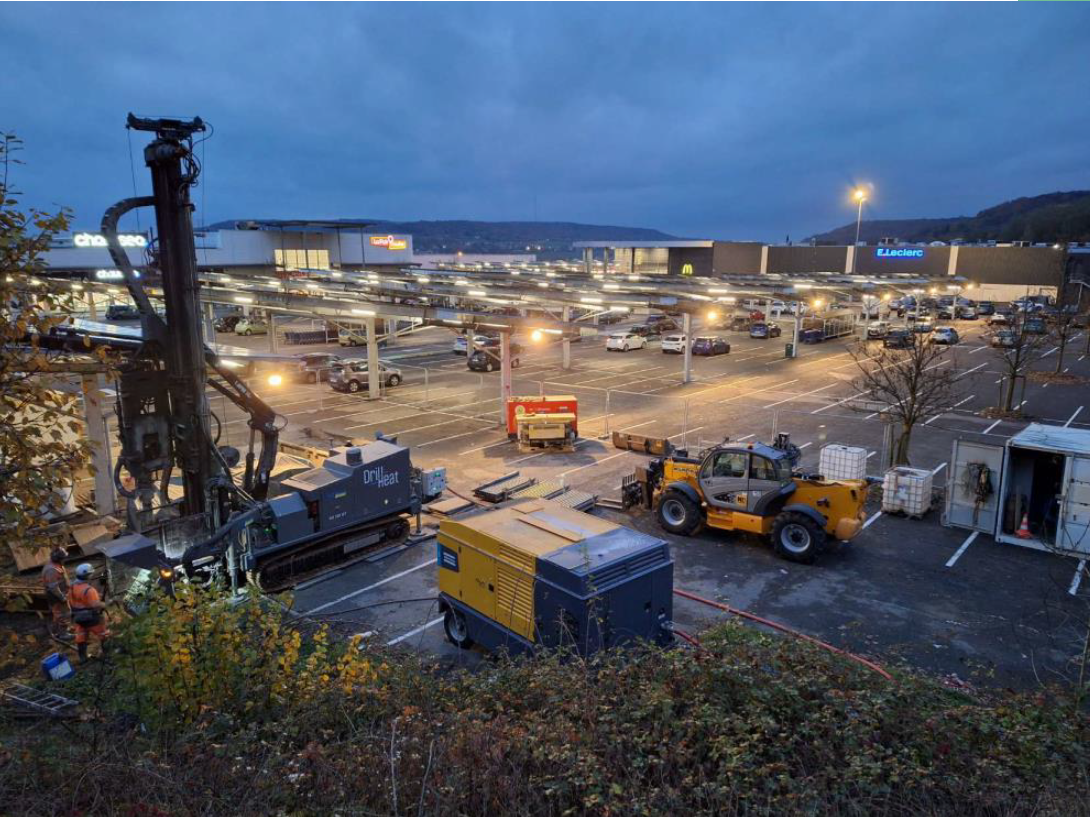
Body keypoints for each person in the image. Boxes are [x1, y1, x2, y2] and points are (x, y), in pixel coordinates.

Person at [67, 563, 109, 662]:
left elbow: (78, 599)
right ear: (88, 576)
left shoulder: (73, 586)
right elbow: (95, 605)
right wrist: (106, 603)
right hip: (91, 618)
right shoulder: (89, 590)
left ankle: (83, 658)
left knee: (81, 637)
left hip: (78, 617)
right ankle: (106, 654)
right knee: (104, 635)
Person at [40, 548, 71, 640]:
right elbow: (53, 587)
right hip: (56, 596)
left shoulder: (56, 565)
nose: (65, 559)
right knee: (63, 614)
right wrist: (62, 597)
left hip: (59, 593)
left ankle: (59, 631)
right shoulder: (51, 570)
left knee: (61, 613)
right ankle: (63, 634)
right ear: (59, 558)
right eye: (63, 558)